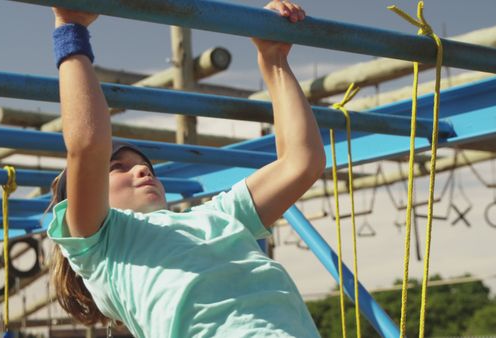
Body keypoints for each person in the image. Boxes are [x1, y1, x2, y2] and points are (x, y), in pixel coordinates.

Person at [47, 1, 325, 337]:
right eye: (118, 167)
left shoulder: (218, 217)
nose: (142, 171)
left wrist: (274, 59)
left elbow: (301, 162)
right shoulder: (103, 245)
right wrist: (69, 27)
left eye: (145, 167)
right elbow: (88, 146)